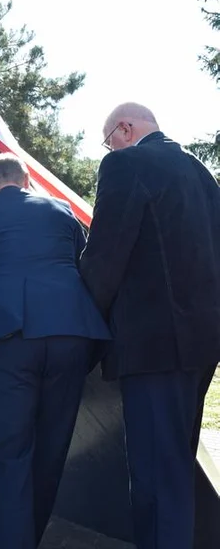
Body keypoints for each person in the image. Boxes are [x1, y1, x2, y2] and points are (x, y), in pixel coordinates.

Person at [80, 103, 220, 549]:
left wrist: (84, 316)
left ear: (125, 128)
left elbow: (106, 256)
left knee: (155, 475)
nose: (109, 147)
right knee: (175, 464)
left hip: (154, 344)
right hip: (201, 345)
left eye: (109, 139)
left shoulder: (126, 163)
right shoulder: (202, 175)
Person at [0, 153, 110, 549]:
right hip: (71, 337)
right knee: (50, 451)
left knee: (7, 457)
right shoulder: (61, 210)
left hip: (7, 339)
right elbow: (83, 264)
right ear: (27, 180)